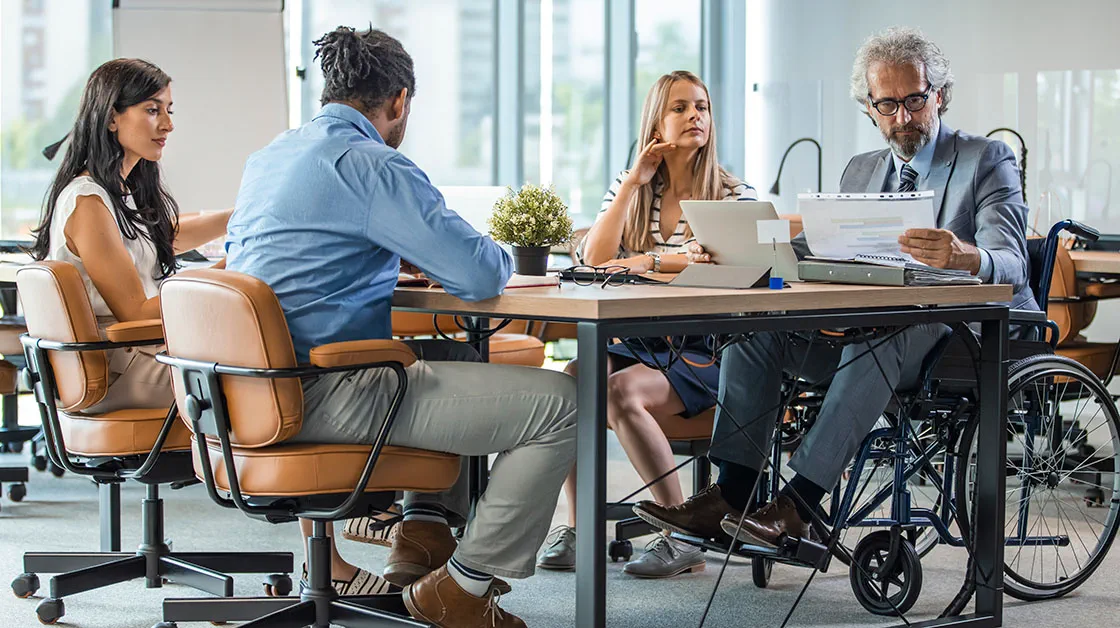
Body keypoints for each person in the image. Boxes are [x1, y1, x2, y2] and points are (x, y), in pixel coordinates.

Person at [633, 26, 1036, 551]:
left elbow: (1013, 263)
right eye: (886, 105)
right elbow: (823, 251)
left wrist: (967, 256)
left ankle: (797, 507)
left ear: (939, 94)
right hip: (869, 335)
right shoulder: (862, 169)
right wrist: (748, 253)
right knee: (755, 334)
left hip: (963, 338)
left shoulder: (986, 159)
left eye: (914, 100)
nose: (902, 117)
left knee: (883, 334)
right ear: (869, 108)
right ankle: (731, 496)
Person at [225, 26, 576, 627]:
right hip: (322, 393)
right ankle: (462, 590)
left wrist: (387, 247)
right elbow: (480, 273)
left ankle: (424, 532)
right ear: (400, 100)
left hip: (244, 392)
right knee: (562, 404)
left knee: (458, 358)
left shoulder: (271, 157)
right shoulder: (373, 165)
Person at [537, 71, 756, 579]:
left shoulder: (732, 195)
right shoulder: (634, 188)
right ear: (656, 123)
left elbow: (727, 266)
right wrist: (633, 184)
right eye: (680, 107)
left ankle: (681, 536)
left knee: (619, 392)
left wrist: (644, 262)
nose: (695, 115)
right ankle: (581, 527)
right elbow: (594, 259)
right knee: (573, 379)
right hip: (643, 340)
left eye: (701, 106)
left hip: (709, 348)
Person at [29, 58, 231, 415]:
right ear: (111, 118)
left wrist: (241, 218)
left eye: (168, 110)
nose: (168, 124)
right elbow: (136, 314)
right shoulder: (88, 202)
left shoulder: (115, 191)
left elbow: (160, 239)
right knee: (254, 376)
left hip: (133, 357)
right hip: (119, 368)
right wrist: (233, 267)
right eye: (152, 110)